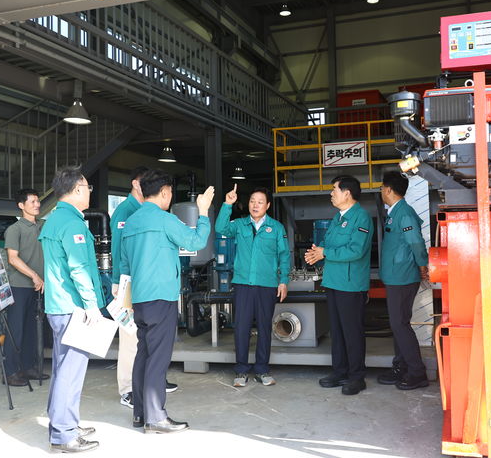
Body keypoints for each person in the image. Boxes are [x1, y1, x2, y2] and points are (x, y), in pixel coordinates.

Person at [120, 169, 214, 434]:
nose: (171, 197)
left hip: (138, 299)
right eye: (171, 192)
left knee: (144, 355)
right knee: (158, 359)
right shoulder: (164, 219)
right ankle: (156, 417)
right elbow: (195, 241)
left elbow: (125, 264)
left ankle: (140, 414)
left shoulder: (132, 222)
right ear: (163, 192)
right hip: (161, 297)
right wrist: (203, 212)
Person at [39, 167, 104, 453]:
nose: (90, 191)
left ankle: (62, 422)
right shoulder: (73, 223)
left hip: (59, 305)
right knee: (70, 371)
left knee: (62, 367)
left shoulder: (55, 219)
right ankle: (63, 435)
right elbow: (78, 268)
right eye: (88, 187)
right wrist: (91, 305)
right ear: (77, 188)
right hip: (73, 307)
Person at [110, 167, 180, 410]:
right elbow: (120, 251)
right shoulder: (126, 211)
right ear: (135, 184)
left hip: (141, 283)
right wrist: (118, 284)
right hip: (128, 283)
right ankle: (128, 389)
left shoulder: (143, 212)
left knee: (146, 342)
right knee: (132, 340)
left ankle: (151, 383)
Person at [215, 184, 290, 387]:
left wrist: (283, 281)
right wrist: (227, 205)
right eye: (252, 201)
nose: (255, 205)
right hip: (243, 284)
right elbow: (220, 228)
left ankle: (262, 370)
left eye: (260, 202)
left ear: (267, 206)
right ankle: (241, 370)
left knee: (265, 327)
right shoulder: (239, 225)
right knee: (241, 327)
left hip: (267, 285)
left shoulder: (276, 228)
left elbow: (284, 255)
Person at [304, 175, 373, 396]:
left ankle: (356, 377)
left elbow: (356, 251)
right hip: (333, 281)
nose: (331, 193)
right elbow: (328, 246)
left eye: (334, 189)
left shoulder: (361, 218)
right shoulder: (338, 217)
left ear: (347, 193)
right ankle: (340, 371)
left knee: (352, 332)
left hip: (350, 284)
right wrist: (317, 253)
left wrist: (325, 252)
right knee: (337, 331)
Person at [377, 171, 430, 390]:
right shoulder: (394, 213)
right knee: (397, 324)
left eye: (382, 187)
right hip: (395, 276)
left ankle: (417, 373)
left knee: (400, 324)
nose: (381, 191)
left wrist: (423, 265)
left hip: (403, 277)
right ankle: (402, 367)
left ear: (388, 189)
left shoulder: (404, 213)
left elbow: (416, 243)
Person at [2, 188, 49, 387]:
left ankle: (29, 367)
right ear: (21, 206)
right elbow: (13, 259)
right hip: (19, 285)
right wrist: (34, 276)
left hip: (39, 287)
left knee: (33, 329)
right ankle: (11, 372)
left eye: (38, 201)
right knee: (16, 329)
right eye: (32, 202)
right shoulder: (15, 229)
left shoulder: (43, 226)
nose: (37, 205)